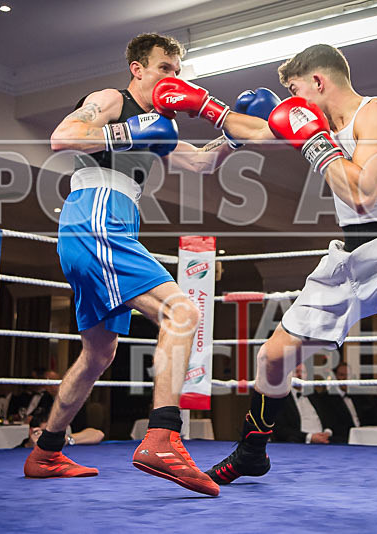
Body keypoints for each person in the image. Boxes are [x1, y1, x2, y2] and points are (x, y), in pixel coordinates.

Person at [153, 44, 377, 519]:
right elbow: (258, 130)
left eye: (296, 90)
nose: (294, 102)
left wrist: (313, 141)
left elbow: (363, 194)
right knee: (271, 357)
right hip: (349, 257)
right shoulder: (317, 122)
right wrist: (207, 107)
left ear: (318, 82)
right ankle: (251, 451)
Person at [24, 32, 248, 496]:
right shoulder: (112, 99)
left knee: (98, 354)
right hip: (95, 214)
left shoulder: (160, 125)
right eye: (165, 68)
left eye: (178, 71)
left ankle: (46, 451)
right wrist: (125, 131)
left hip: (114, 222)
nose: (173, 77)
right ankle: (162, 436)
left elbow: (200, 164)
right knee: (180, 312)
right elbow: (62, 137)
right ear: (138, 69)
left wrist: (233, 136)